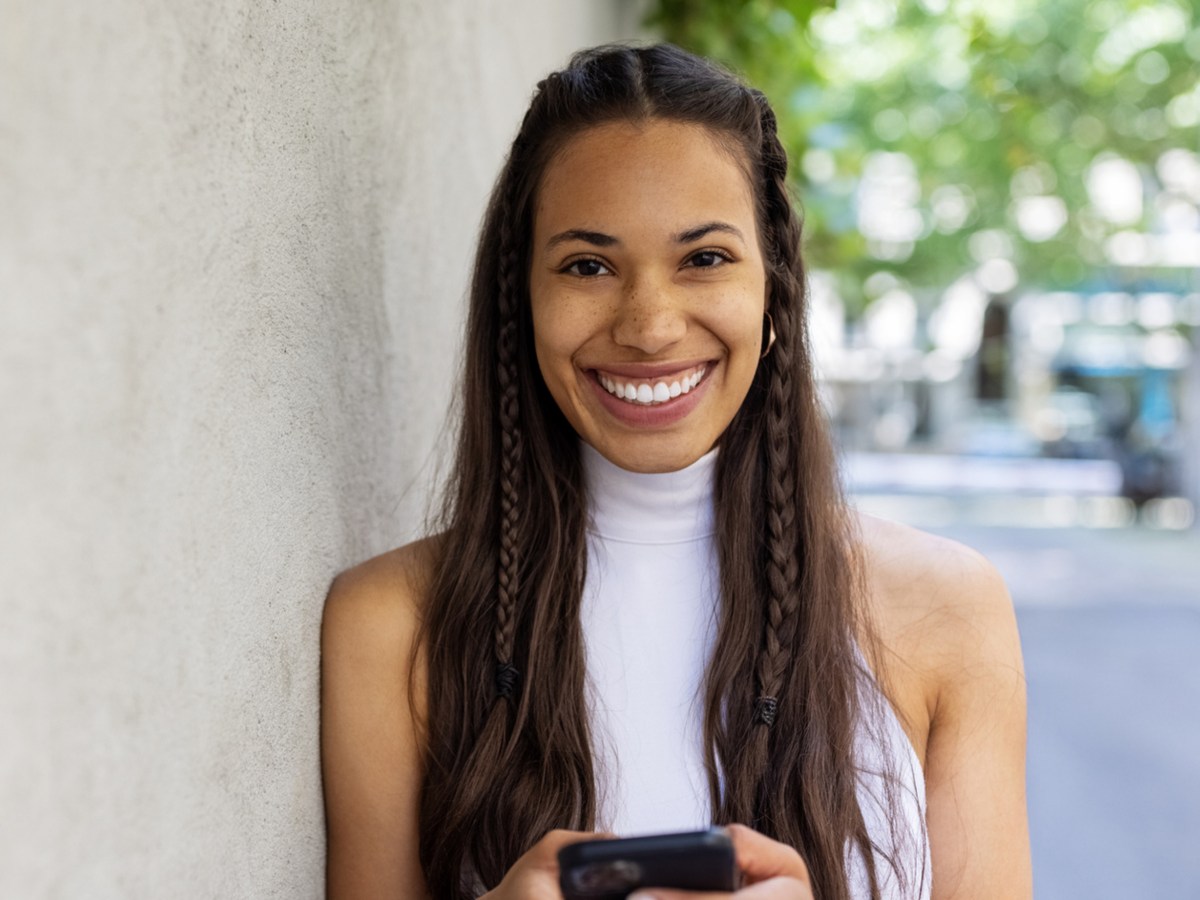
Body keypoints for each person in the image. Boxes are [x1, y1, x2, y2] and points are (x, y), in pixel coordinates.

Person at [320, 44, 1031, 900]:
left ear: (776, 292)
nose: (650, 325)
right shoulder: (389, 625)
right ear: (522, 300)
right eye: (588, 265)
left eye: (704, 259)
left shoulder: (948, 607)